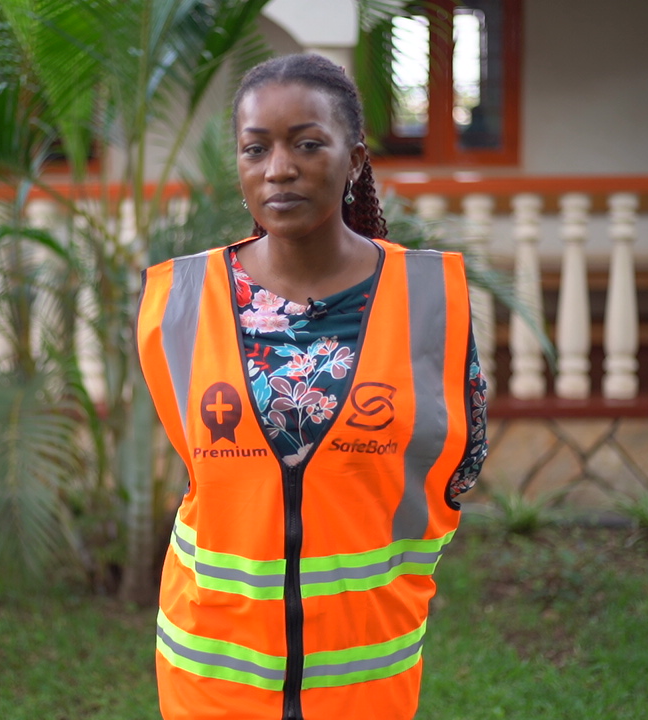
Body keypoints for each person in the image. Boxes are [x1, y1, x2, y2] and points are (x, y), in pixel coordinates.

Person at [136, 53, 488, 720]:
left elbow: (460, 465)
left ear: (354, 159)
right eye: (255, 148)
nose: (279, 168)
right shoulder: (181, 300)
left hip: (365, 673)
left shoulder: (425, 300)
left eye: (306, 144)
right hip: (210, 670)